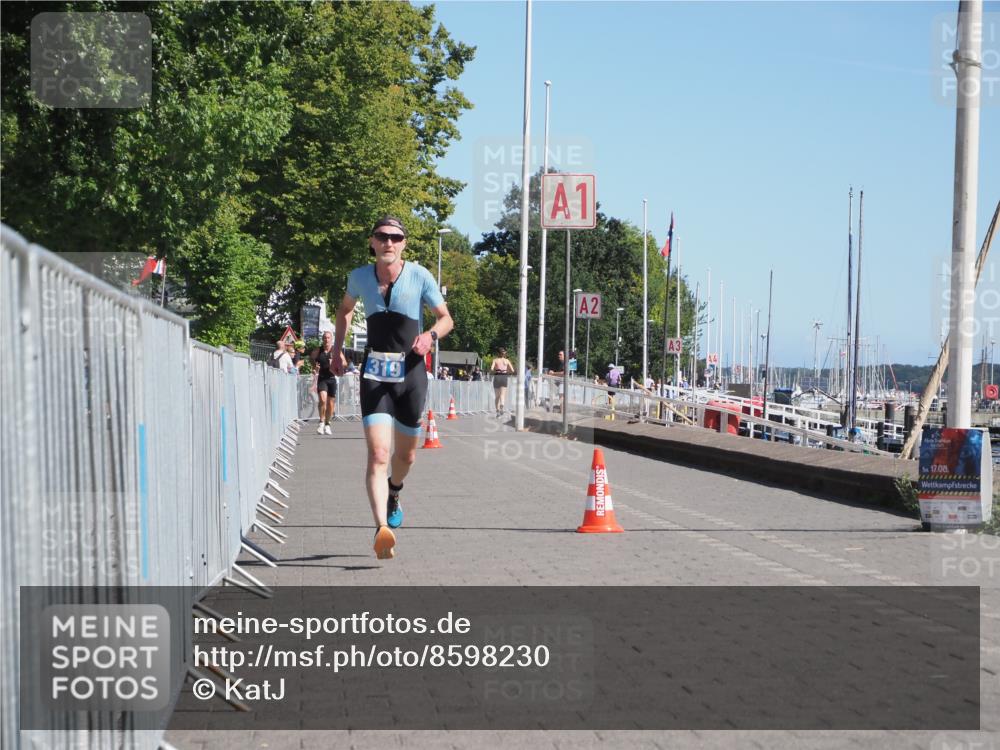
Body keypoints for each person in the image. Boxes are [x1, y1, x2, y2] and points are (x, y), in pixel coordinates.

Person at [332, 216, 452, 560]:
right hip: (374, 373)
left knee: (406, 456)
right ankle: (381, 528)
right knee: (379, 455)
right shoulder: (359, 277)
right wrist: (337, 350)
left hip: (411, 372)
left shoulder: (419, 276)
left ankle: (394, 490)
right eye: (382, 237)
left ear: (403, 243)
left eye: (396, 237)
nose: (389, 242)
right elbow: (344, 311)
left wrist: (430, 336)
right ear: (372, 241)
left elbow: (446, 318)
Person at [311, 331, 339, 435]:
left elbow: (344, 363)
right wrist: (314, 368)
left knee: (330, 404)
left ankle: (328, 424)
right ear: (322, 339)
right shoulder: (318, 351)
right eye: (324, 338)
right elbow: (312, 359)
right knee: (322, 400)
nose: (326, 340)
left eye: (328, 338)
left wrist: (336, 364)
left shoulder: (335, 351)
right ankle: (321, 422)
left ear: (331, 339)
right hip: (322, 379)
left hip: (332, 379)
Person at [491, 347, 514, 417]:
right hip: (504, 377)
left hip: (497, 376)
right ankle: (502, 406)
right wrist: (507, 371)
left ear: (498, 353)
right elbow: (512, 370)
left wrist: (496, 370)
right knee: (502, 395)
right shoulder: (507, 361)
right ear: (503, 353)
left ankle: (497, 411)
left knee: (497, 396)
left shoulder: (495, 360)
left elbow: (491, 369)